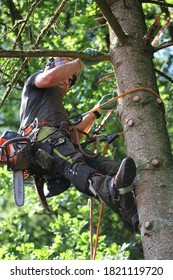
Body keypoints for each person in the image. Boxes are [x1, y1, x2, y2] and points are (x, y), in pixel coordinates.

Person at [18, 49, 139, 232]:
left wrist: (97, 111)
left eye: (71, 79)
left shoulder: (57, 109)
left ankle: (133, 214)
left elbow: (75, 136)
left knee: (104, 165)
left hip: (58, 143)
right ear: (51, 67)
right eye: (65, 73)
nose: (68, 80)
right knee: (75, 165)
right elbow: (49, 79)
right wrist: (79, 62)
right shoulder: (35, 84)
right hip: (42, 143)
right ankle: (111, 189)